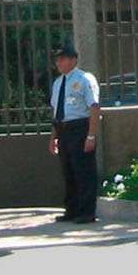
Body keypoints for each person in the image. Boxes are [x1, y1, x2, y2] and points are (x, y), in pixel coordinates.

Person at [49, 45, 101, 223]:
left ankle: (86, 211)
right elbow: (56, 112)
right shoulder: (58, 83)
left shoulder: (85, 79)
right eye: (57, 59)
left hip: (80, 128)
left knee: (84, 171)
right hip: (63, 130)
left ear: (74, 60)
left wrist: (91, 136)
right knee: (68, 171)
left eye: (62, 59)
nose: (58, 63)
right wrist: (54, 137)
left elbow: (94, 108)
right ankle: (71, 209)